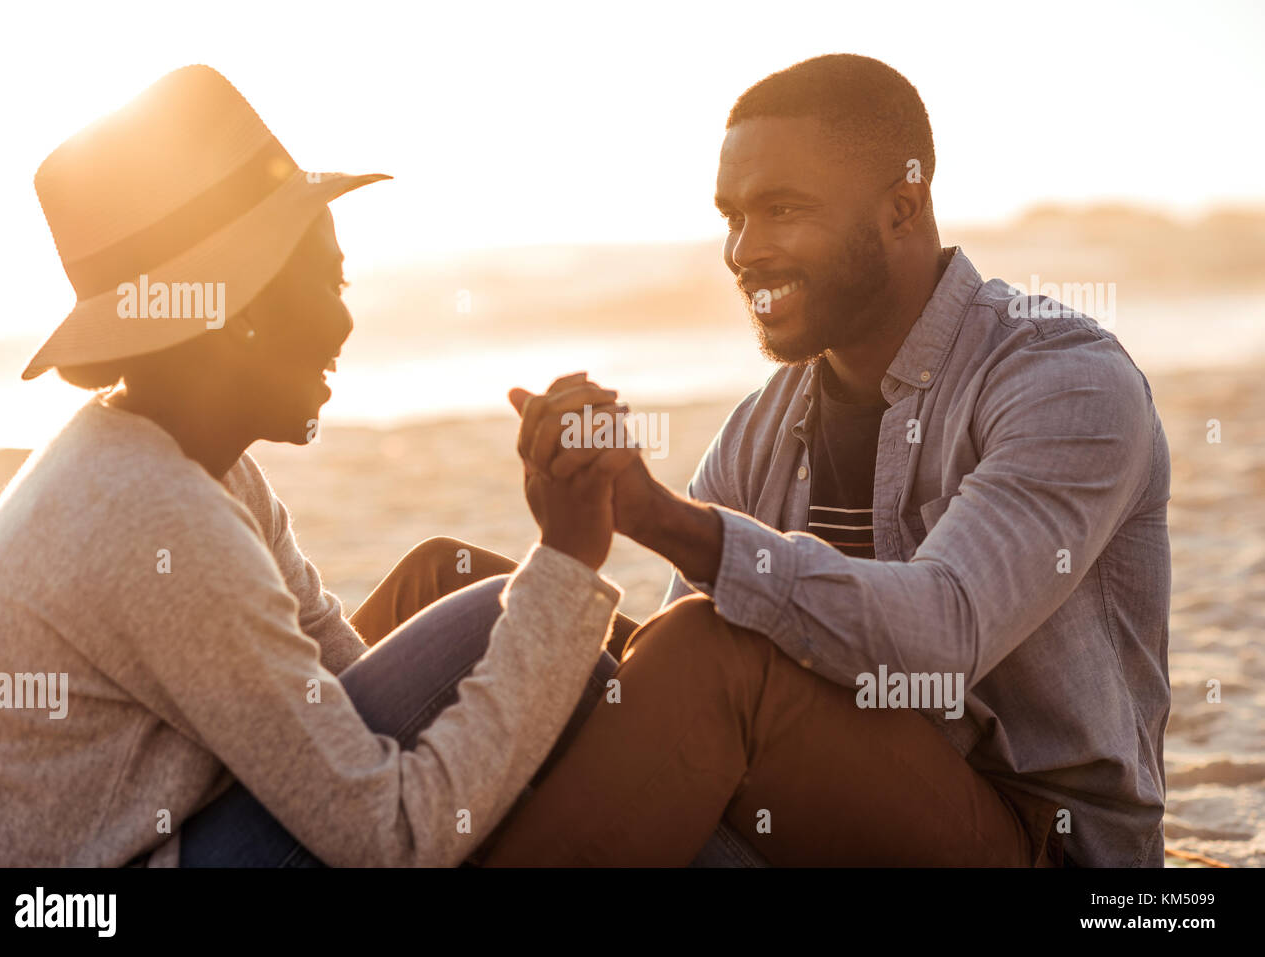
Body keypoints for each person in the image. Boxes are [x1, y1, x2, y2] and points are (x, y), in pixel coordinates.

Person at [473, 54, 1173, 866]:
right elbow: (657, 669)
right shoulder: (762, 426)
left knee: (712, 650)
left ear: (902, 207)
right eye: (732, 215)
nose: (743, 250)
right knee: (458, 596)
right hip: (799, 809)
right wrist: (575, 525)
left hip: (1033, 840)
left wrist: (665, 519)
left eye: (781, 210)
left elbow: (943, 633)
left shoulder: (1063, 379)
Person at [0, 65, 646, 867]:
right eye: (329, 282)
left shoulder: (193, 467)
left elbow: (354, 693)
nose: (347, 317)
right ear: (243, 312)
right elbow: (393, 840)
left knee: (479, 612)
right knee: (486, 622)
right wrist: (567, 559)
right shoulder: (155, 513)